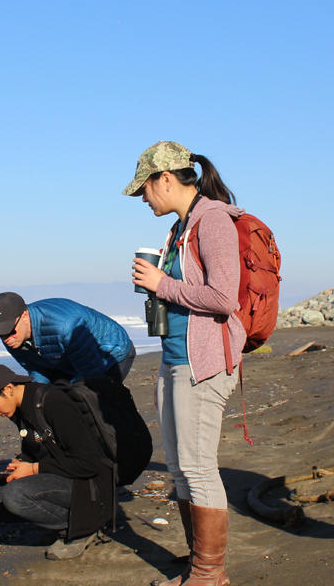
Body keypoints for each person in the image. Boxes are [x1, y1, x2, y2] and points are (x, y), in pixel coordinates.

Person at [126, 141, 244, 586]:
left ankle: (210, 575)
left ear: (166, 180)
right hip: (176, 358)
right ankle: (199, 564)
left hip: (205, 363)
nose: (143, 198)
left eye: (145, 188)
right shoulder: (181, 227)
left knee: (197, 467)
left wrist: (163, 283)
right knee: (179, 468)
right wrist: (157, 286)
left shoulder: (212, 220)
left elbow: (223, 298)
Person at [0, 363, 114, 561]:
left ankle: (81, 527)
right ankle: (48, 517)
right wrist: (22, 461)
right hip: (55, 475)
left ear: (8, 389)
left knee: (15, 495)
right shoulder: (20, 408)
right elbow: (37, 446)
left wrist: (33, 468)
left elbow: (89, 463)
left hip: (89, 485)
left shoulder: (54, 402)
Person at [0, 291, 136, 387]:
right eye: (0, 334)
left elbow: (90, 373)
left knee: (95, 405)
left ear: (25, 315)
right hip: (68, 361)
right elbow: (37, 370)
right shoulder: (14, 337)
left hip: (111, 351)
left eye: (9, 331)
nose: (6, 339)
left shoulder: (65, 326)